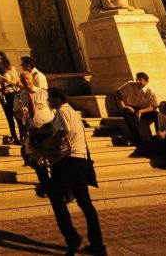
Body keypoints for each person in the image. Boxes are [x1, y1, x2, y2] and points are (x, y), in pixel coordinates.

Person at [46, 87, 105, 256]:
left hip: (70, 160)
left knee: (55, 195)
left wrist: (44, 146)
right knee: (85, 203)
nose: (48, 101)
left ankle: (72, 236)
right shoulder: (71, 111)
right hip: (81, 160)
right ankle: (97, 244)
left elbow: (62, 133)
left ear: (57, 99)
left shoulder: (63, 111)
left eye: (50, 98)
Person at [15, 69, 54, 196]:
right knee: (36, 160)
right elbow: (16, 113)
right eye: (23, 80)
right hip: (34, 130)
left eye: (28, 79)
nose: (26, 82)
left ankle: (56, 182)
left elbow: (54, 107)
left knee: (53, 158)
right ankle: (45, 184)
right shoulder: (19, 96)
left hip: (48, 128)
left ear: (32, 79)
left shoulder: (43, 93)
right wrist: (20, 114)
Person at [116, 72, 158, 148]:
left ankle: (160, 138)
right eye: (137, 79)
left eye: (140, 80)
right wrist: (123, 105)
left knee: (157, 115)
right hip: (132, 108)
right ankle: (136, 139)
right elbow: (117, 91)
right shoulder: (130, 84)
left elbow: (154, 107)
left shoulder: (151, 91)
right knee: (126, 112)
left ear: (146, 81)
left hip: (145, 110)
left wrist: (141, 111)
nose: (137, 82)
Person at [0, 51, 22, 145]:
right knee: (9, 117)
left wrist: (7, 80)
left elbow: (16, 82)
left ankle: (22, 136)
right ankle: (14, 137)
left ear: (4, 59)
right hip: (3, 94)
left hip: (12, 93)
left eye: (0, 59)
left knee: (17, 116)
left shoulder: (10, 68)